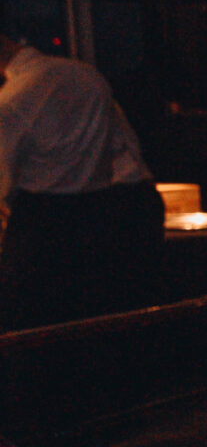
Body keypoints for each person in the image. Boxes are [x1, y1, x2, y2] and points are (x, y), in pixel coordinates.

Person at [0, 31, 159, 330]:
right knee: (98, 322)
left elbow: (3, 185)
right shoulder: (88, 76)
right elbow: (127, 148)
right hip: (102, 214)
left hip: (41, 225)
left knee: (35, 327)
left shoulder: (12, 100)